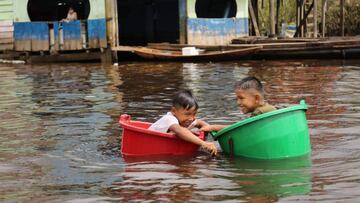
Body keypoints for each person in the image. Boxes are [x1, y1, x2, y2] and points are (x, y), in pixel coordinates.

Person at [148, 89, 217, 156]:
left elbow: (200, 123)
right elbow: (179, 130)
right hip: (147, 142)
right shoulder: (169, 119)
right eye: (187, 114)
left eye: (194, 114)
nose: (191, 118)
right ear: (174, 111)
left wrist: (209, 130)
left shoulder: (186, 120)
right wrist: (203, 143)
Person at [200, 76, 276, 132]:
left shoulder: (259, 112)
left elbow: (240, 130)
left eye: (241, 98)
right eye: (237, 99)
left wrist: (213, 127)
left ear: (257, 98)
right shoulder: (270, 108)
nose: (238, 103)